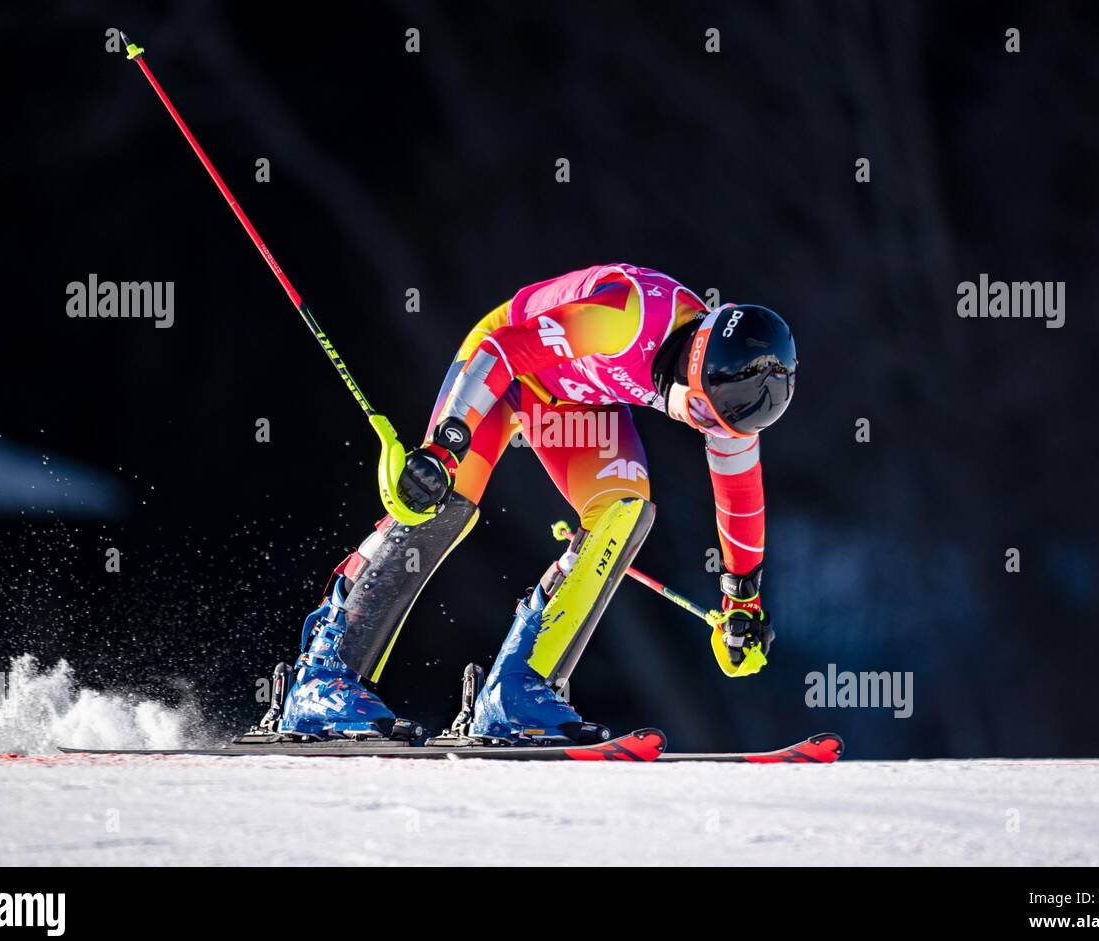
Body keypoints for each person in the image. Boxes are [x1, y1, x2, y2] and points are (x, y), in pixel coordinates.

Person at [273, 263, 797, 743]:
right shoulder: (626, 319)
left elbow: (739, 494)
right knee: (444, 502)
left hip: (576, 400)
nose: (704, 428)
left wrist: (742, 597)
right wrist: (445, 447)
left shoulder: (727, 399)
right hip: (505, 370)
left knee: (624, 512)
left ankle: (515, 694)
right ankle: (322, 676)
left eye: (718, 426)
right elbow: (502, 351)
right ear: (696, 360)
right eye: (703, 415)